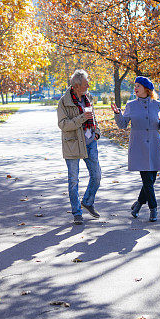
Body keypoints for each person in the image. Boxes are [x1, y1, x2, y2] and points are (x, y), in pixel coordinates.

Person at [111, 76, 160, 222]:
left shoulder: (158, 105)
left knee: (151, 180)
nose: (135, 88)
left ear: (146, 89)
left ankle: (138, 205)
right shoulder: (131, 105)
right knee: (147, 180)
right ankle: (153, 209)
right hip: (139, 147)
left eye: (138, 86)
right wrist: (118, 114)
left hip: (154, 145)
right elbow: (123, 125)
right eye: (135, 86)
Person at [57, 69, 102, 225]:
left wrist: (96, 132)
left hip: (90, 143)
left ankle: (88, 202)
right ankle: (77, 213)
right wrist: (82, 118)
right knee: (74, 181)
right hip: (73, 144)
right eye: (85, 83)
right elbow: (63, 125)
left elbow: (93, 117)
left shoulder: (88, 97)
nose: (88, 85)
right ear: (76, 86)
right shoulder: (64, 101)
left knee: (96, 177)